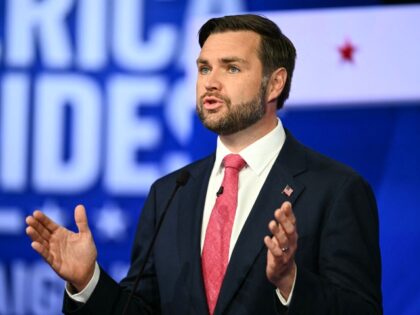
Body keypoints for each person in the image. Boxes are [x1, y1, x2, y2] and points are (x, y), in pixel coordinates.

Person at [25, 14, 382, 315]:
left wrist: (291, 282)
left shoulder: (335, 190)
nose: (209, 82)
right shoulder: (169, 193)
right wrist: (88, 282)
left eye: (232, 68)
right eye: (204, 67)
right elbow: (142, 309)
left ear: (274, 83)